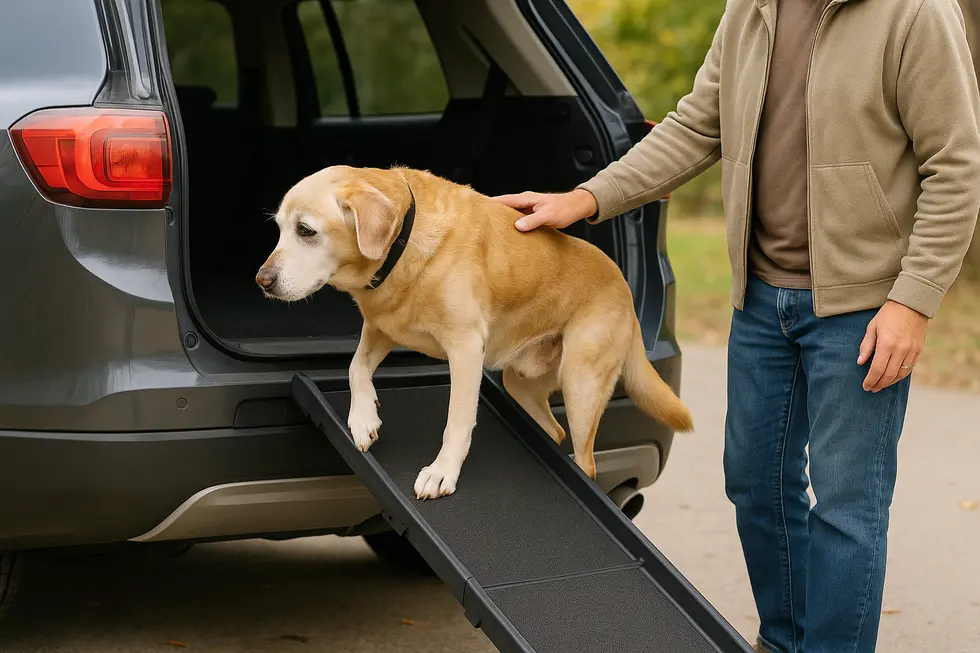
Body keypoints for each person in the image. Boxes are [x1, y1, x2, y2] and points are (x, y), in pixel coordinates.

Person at [494, 1, 980, 651]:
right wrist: (587, 198)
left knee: (846, 510)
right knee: (754, 482)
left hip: (866, 310)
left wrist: (913, 301)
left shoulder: (915, 13)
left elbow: (956, 166)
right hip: (760, 301)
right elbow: (698, 124)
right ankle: (784, 640)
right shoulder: (752, 8)